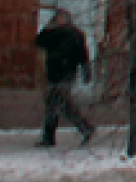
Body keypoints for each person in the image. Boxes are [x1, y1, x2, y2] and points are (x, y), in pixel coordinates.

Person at [33, 9, 96, 147]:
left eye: (61, 18)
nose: (59, 21)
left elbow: (82, 55)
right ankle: (82, 128)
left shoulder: (74, 35)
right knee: (56, 104)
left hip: (67, 73)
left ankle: (83, 128)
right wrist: (47, 29)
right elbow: (38, 41)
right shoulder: (51, 34)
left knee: (58, 104)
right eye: (57, 18)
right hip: (53, 73)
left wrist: (86, 72)